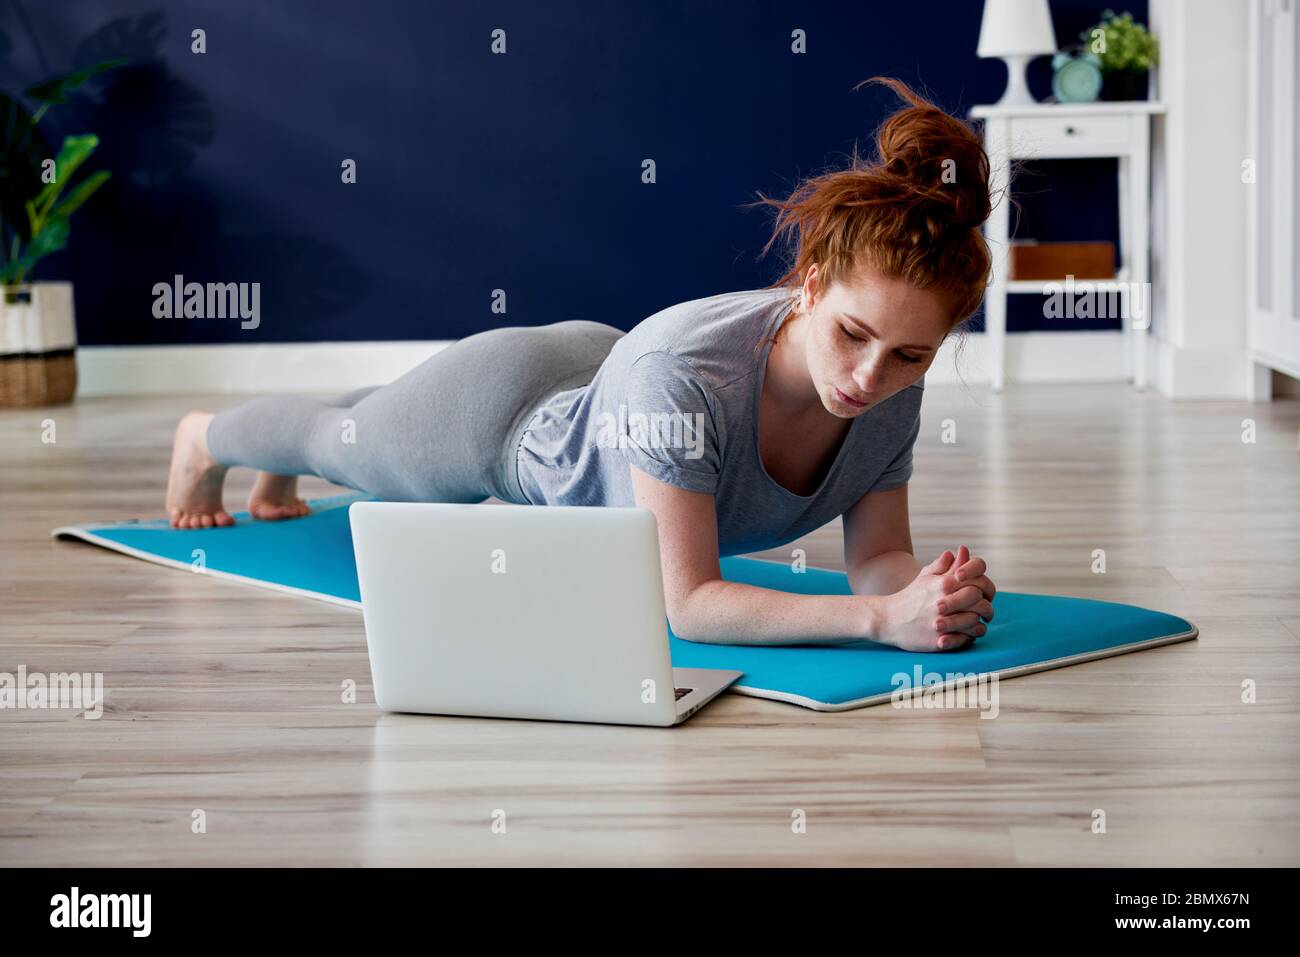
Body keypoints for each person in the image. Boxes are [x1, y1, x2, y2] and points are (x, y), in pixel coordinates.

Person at [164, 77, 997, 651]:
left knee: (364, 426)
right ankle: (206, 439)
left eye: (909, 356)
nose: (869, 376)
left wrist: (928, 590)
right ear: (812, 285)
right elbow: (691, 605)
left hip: (609, 381)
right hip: (511, 413)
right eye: (852, 335)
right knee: (341, 446)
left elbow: (876, 559)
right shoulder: (689, 376)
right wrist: (881, 622)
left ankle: (286, 461)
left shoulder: (893, 384)